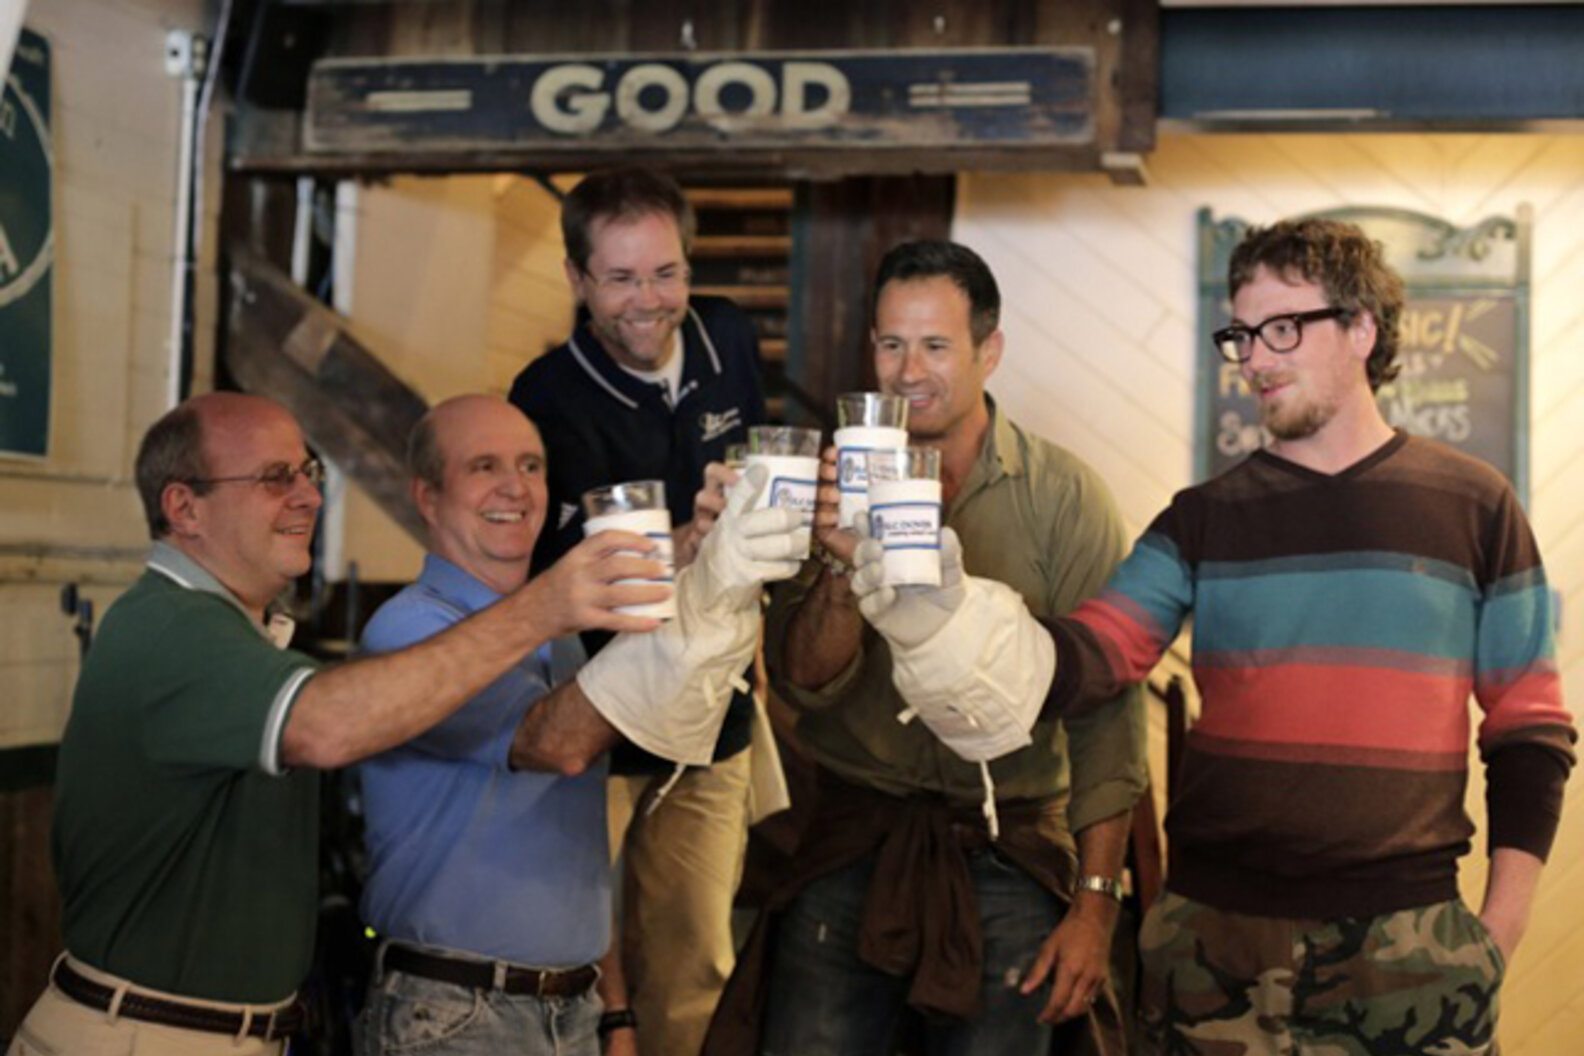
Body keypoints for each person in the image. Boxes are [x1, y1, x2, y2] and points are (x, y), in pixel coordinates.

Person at [858, 220, 1576, 1055]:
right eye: (1242, 334)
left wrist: (1499, 931)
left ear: (1361, 328)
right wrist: (948, 616)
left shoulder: (1476, 507)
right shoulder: (1203, 517)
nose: (1255, 359)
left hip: (1409, 949)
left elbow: (1530, 731)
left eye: (1283, 329)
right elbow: (1090, 658)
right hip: (1214, 949)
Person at [8, 391, 796, 1056]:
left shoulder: (247, 639)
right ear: (184, 506)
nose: (309, 496)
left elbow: (574, 856)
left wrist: (699, 568)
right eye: (276, 477)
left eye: (309, 473)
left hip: (265, 1030)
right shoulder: (179, 627)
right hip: (163, 1033)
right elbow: (350, 728)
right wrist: (562, 601)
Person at [707, 240, 1147, 1055]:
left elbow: (1108, 716)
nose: (908, 371)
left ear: (990, 350)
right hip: (854, 835)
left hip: (1012, 846)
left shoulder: (1064, 494)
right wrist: (842, 565)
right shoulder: (822, 483)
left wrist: (1095, 905)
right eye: (891, 344)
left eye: (936, 345)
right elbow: (804, 684)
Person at [352, 395, 803, 1056]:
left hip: (573, 1010)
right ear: (428, 496)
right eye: (484, 466)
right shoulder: (411, 630)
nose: (516, 487)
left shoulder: (560, 636)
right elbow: (555, 744)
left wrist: (613, 1013)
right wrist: (705, 589)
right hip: (452, 1014)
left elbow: (574, 858)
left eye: (530, 466)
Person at [509, 166, 767, 1056]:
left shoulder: (729, 335)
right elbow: (559, 581)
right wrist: (688, 541)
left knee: (697, 965)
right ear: (577, 280)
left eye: (665, 273)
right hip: (595, 722)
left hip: (716, 715)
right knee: (573, 957)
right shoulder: (543, 397)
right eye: (620, 278)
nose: (648, 301)